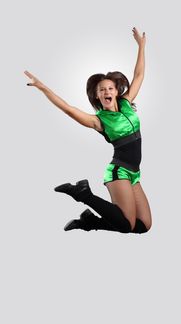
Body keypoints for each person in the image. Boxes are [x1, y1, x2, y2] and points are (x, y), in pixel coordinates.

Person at [24, 27, 152, 234]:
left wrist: (142, 45)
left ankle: (89, 222)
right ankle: (83, 193)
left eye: (110, 88)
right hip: (118, 171)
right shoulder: (99, 121)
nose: (107, 91)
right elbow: (68, 109)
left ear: (116, 90)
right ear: (98, 97)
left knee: (143, 226)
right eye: (102, 90)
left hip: (134, 172)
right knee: (125, 225)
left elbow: (139, 75)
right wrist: (43, 88)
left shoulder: (127, 102)